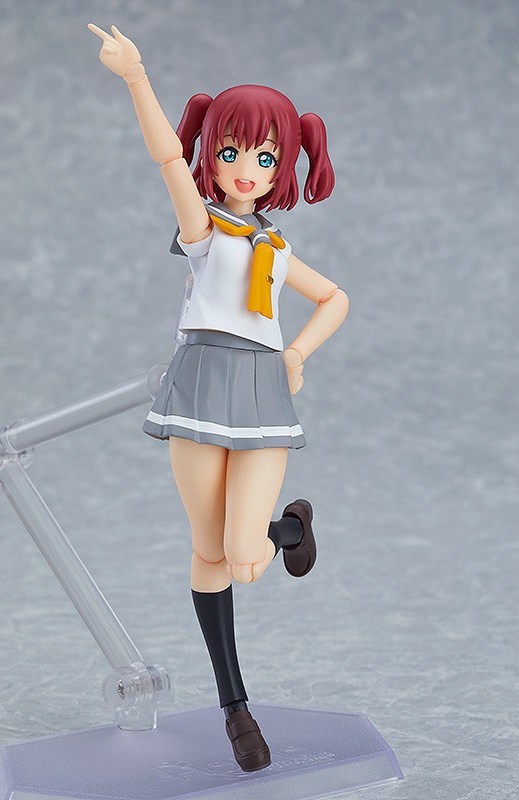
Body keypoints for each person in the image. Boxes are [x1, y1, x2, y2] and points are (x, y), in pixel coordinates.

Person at [89, 23, 349, 772]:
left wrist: (295, 353)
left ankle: (289, 530)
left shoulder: (277, 249)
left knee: (244, 555)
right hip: (200, 383)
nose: (245, 170)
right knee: (208, 553)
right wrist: (136, 77)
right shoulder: (204, 231)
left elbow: (335, 298)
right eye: (231, 152)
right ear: (214, 153)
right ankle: (235, 707)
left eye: (264, 157)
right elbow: (167, 159)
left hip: (261, 388)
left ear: (284, 165)